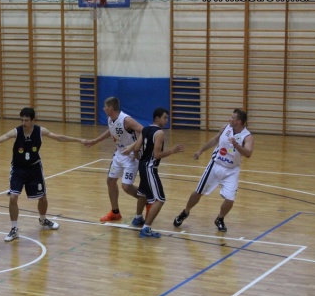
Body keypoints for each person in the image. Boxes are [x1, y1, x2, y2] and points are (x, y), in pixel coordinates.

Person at [0, 107, 87, 242]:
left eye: (26, 120)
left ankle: (43, 219)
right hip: (18, 169)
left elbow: (59, 138)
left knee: (43, 197)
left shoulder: (40, 131)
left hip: (34, 168)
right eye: (22, 120)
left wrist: (79, 140)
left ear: (33, 120)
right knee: (13, 197)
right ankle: (14, 229)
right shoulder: (16, 132)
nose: (23, 123)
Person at [173, 108, 253, 232]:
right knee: (198, 192)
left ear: (239, 121)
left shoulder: (247, 137)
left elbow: (248, 153)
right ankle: (185, 212)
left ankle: (220, 218)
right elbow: (214, 140)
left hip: (232, 170)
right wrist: (201, 150)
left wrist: (236, 145)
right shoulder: (225, 128)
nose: (230, 119)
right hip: (215, 165)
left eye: (232, 117)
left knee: (230, 199)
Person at [122, 108, 184, 238]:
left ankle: (138, 218)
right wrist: (172, 151)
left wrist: (138, 157)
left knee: (143, 194)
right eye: (165, 117)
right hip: (150, 168)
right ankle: (146, 228)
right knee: (160, 199)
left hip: (142, 166)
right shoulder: (159, 133)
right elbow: (157, 155)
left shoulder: (145, 129)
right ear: (157, 118)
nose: (167, 120)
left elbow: (136, 148)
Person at [84, 97, 144, 223]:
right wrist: (95, 141)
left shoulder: (126, 120)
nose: (103, 109)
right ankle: (115, 212)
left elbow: (144, 132)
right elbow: (111, 131)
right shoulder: (110, 119)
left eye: (105, 106)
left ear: (111, 108)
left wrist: (132, 147)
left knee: (126, 187)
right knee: (110, 181)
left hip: (131, 156)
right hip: (119, 154)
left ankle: (147, 199)